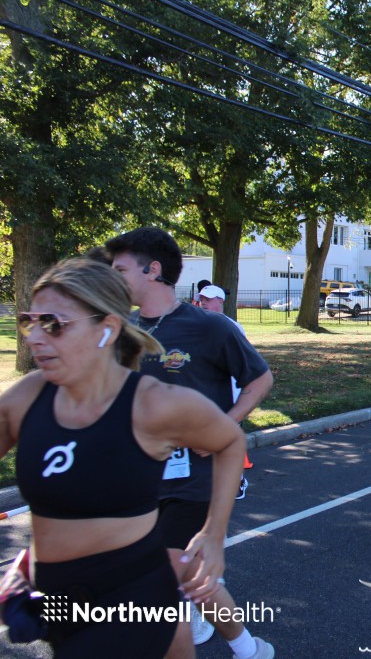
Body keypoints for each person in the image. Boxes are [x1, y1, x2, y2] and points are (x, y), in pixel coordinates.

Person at [0, 258, 245, 657]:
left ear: (108, 328)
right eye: (30, 322)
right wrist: (28, 564)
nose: (35, 338)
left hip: (136, 600)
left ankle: (248, 647)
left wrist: (214, 535)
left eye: (54, 323)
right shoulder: (26, 398)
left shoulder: (154, 404)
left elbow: (230, 441)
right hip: (61, 603)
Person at [106, 228, 275, 659]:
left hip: (197, 478)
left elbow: (261, 379)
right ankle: (249, 648)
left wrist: (223, 425)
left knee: (167, 569)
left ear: (152, 270)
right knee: (185, 573)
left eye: (120, 269)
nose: (112, 278)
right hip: (142, 477)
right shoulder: (122, 332)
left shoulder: (210, 326)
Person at [197, 284, 254, 494]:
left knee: (228, 439)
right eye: (202, 299)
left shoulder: (232, 327)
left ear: (220, 301)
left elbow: (246, 365)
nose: (203, 303)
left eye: (208, 299)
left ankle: (237, 481)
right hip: (203, 393)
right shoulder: (195, 325)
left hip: (228, 393)